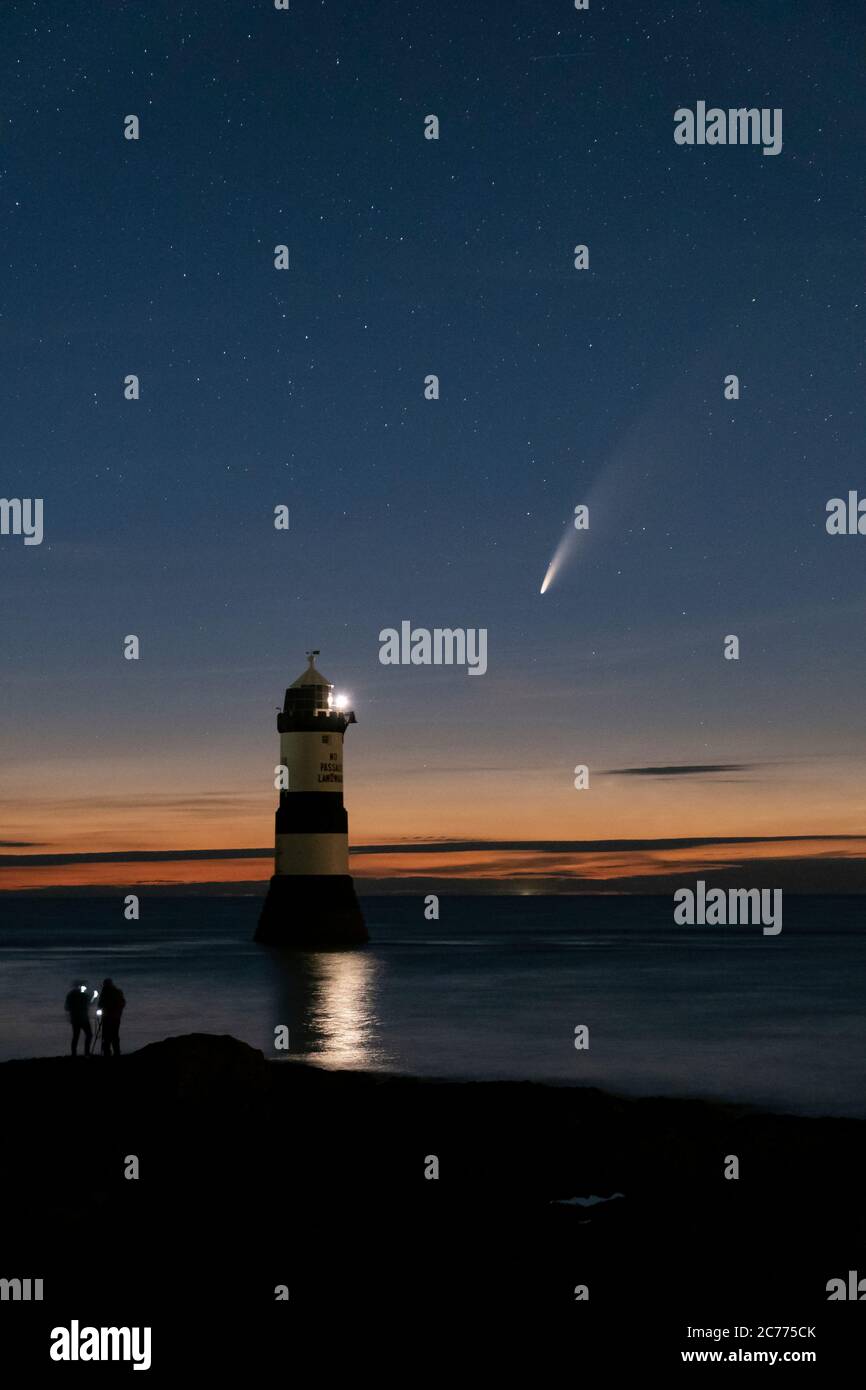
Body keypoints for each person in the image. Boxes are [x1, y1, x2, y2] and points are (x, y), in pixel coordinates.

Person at [97, 978, 126, 1057]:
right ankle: (117, 1052)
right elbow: (123, 1003)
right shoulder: (118, 992)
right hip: (116, 1017)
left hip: (107, 1017)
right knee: (115, 1035)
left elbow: (99, 1005)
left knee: (106, 1036)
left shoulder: (105, 993)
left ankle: (107, 1052)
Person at [64, 981, 92, 1057]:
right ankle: (87, 1052)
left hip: (74, 1018)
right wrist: (94, 997)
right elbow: (89, 1003)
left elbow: (66, 1008)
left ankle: (74, 1053)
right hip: (83, 1018)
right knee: (89, 1035)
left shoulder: (70, 995)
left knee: (76, 1036)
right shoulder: (84, 995)